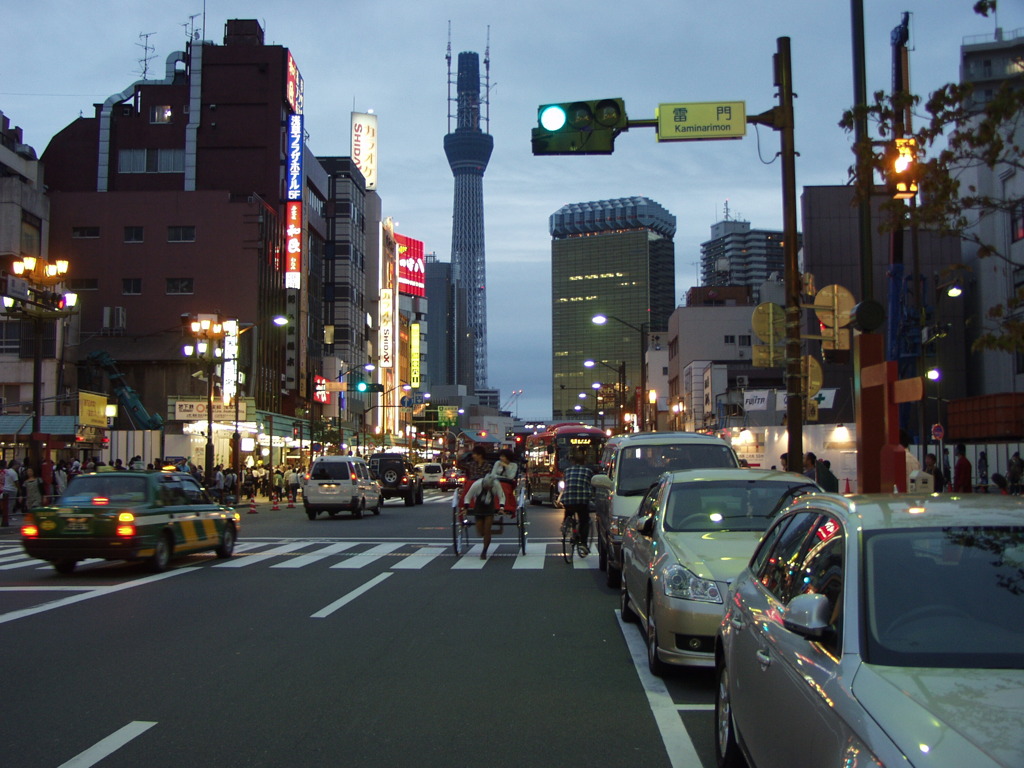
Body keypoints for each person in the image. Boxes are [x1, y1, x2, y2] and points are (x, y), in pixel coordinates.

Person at [559, 450, 595, 555]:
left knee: (569, 509)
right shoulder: (588, 471)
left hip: (567, 499)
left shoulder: (567, 471)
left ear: (573, 462)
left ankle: (566, 523)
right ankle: (583, 544)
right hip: (582, 500)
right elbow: (590, 485)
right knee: (584, 520)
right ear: (584, 461)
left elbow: (566, 483)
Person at [462, 475, 505, 559]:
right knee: (481, 532)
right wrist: (466, 508)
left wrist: (501, 507)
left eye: (490, 487)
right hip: (478, 508)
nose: (488, 488)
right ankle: (489, 531)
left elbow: (501, 496)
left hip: (490, 508)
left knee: (487, 530)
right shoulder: (476, 485)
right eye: (487, 487)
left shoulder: (496, 484)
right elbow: (467, 497)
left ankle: (484, 551)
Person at [489, 449, 519, 518]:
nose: (500, 458)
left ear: (507, 457)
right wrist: (500, 477)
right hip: (496, 481)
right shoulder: (497, 463)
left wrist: (506, 466)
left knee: (504, 488)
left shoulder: (514, 465)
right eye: (500, 456)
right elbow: (493, 475)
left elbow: (511, 477)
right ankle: (494, 506)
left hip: (508, 483)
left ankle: (504, 507)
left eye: (503, 457)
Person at [0, 459, 17, 527]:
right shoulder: (6, 472)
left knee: (3, 503)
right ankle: (6, 516)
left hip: (4, 488)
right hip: (4, 487)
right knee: (8, 503)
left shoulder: (6, 471)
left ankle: (4, 515)